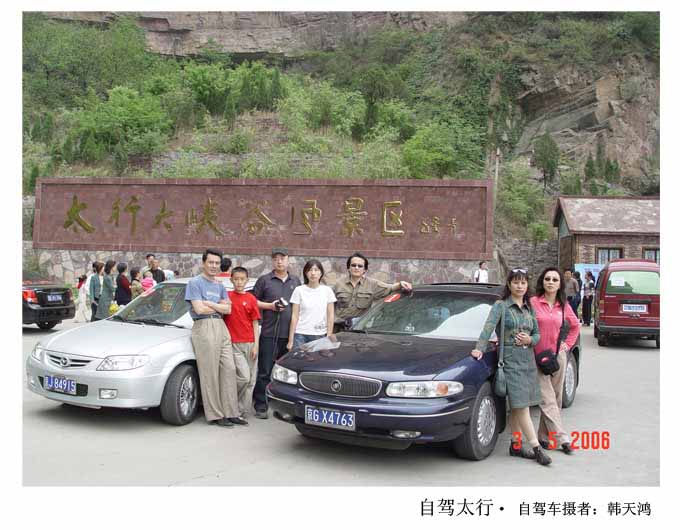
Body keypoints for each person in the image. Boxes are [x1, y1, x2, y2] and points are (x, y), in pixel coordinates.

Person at [470, 268, 551, 466]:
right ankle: (536, 448)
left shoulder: (529, 307)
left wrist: (530, 339)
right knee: (522, 406)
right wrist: (479, 348)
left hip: (528, 362)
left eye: (523, 282)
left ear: (527, 285)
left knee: (517, 406)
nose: (519, 286)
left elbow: (537, 335)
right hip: (510, 361)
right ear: (509, 284)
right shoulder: (501, 306)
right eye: (516, 282)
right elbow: (488, 327)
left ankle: (515, 445)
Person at [185, 248, 244, 427]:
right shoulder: (195, 283)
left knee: (229, 369)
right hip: (204, 326)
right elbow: (199, 309)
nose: (214, 266)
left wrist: (210, 303)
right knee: (209, 372)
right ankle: (216, 414)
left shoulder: (220, 285)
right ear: (203, 263)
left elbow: (228, 309)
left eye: (217, 263)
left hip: (221, 326)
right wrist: (219, 306)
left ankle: (231, 412)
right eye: (210, 262)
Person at [530, 267, 581, 455]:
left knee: (556, 398)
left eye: (554, 280)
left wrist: (567, 344)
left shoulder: (563, 305)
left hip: (557, 356)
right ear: (542, 282)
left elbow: (575, 326)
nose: (550, 282)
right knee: (547, 398)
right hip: (537, 357)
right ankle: (562, 438)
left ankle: (544, 437)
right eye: (547, 279)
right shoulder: (533, 302)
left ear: (560, 284)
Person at [251, 248, 301, 419]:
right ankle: (261, 405)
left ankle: (282, 406)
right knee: (265, 371)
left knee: (286, 374)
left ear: (288, 260)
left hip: (289, 335)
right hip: (269, 333)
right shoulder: (264, 280)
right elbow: (252, 301)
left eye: (282, 258)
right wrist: (270, 306)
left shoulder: (296, 281)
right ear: (272, 261)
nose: (279, 261)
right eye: (276, 258)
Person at [333, 252, 412, 331]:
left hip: (358, 329)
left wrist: (401, 284)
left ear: (364, 270)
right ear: (348, 268)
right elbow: (330, 305)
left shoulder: (372, 284)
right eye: (353, 265)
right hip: (337, 327)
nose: (356, 268)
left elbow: (390, 288)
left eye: (360, 266)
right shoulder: (338, 284)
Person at [224, 266, 261, 419]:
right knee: (244, 377)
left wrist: (256, 345)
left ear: (247, 280)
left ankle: (242, 411)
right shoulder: (227, 296)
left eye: (242, 279)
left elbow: (255, 323)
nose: (239, 282)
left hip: (251, 343)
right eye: (236, 279)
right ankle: (231, 405)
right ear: (231, 280)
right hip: (234, 343)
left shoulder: (251, 299)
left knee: (251, 380)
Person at [287, 259, 337, 351]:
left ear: (321, 273)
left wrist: (329, 335)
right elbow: (294, 316)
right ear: (306, 273)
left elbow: (330, 315)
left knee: (318, 360)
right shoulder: (299, 290)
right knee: (299, 359)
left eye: (316, 270)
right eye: (310, 270)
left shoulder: (327, 291)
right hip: (300, 334)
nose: (313, 273)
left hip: (320, 334)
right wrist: (290, 340)